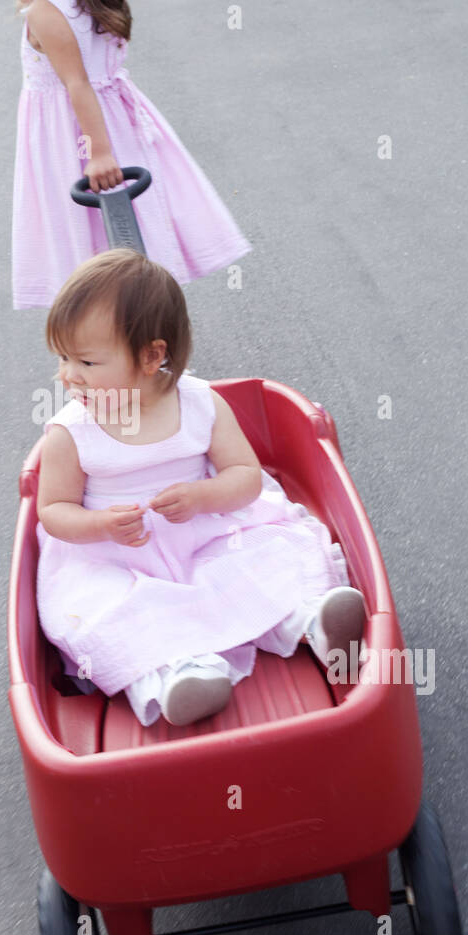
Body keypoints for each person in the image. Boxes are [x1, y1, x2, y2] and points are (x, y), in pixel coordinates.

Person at [35, 249, 366, 728]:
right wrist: (100, 524)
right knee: (108, 611)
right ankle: (177, 675)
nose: (68, 375)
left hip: (208, 535)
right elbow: (53, 510)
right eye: (62, 357)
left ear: (152, 356)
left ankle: (311, 618)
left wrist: (202, 497)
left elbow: (246, 477)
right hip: (116, 558)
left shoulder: (199, 403)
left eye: (86, 361)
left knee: (259, 558)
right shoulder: (71, 432)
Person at [0, 0, 251, 311]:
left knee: (87, 237)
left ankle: (123, 338)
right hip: (115, 121)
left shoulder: (44, 11)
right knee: (131, 234)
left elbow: (76, 84)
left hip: (77, 135)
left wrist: (98, 152)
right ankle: (139, 333)